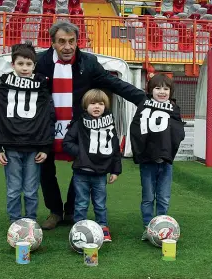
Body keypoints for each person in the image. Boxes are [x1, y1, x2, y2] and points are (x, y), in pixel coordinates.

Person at [33, 21, 146, 230]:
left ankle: (71, 209)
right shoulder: (40, 62)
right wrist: (0, 96)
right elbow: (20, 82)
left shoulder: (89, 62)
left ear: (77, 41)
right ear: (52, 43)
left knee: (81, 168)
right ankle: (55, 211)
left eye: (71, 41)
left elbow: (113, 83)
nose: (67, 47)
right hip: (47, 126)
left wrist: (143, 98)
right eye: (61, 42)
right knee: (45, 170)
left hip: (78, 128)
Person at [0, 42, 56, 224]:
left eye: (28, 64)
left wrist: (45, 146)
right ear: (13, 65)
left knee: (31, 189)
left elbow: (47, 117)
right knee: (13, 189)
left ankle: (31, 222)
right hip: (11, 146)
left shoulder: (42, 85)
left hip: (34, 147)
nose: (24, 68)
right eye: (20, 64)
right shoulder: (4, 85)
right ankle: (15, 223)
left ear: (34, 65)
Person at [130, 73, 185, 240]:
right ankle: (148, 228)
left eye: (166, 88)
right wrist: (140, 152)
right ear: (150, 90)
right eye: (158, 88)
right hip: (148, 161)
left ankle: (162, 226)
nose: (162, 91)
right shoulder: (144, 106)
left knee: (164, 197)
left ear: (171, 91)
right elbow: (136, 130)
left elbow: (177, 132)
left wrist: (169, 150)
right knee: (148, 196)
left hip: (166, 161)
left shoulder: (174, 108)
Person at [63, 89, 122, 242]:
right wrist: (82, 153)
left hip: (100, 172)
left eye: (101, 104)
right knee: (81, 203)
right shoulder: (79, 122)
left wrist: (115, 170)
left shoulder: (109, 124)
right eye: (93, 103)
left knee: (100, 203)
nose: (97, 107)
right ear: (85, 106)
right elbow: (67, 143)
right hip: (81, 172)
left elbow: (115, 148)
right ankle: (79, 230)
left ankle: (103, 227)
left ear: (106, 106)